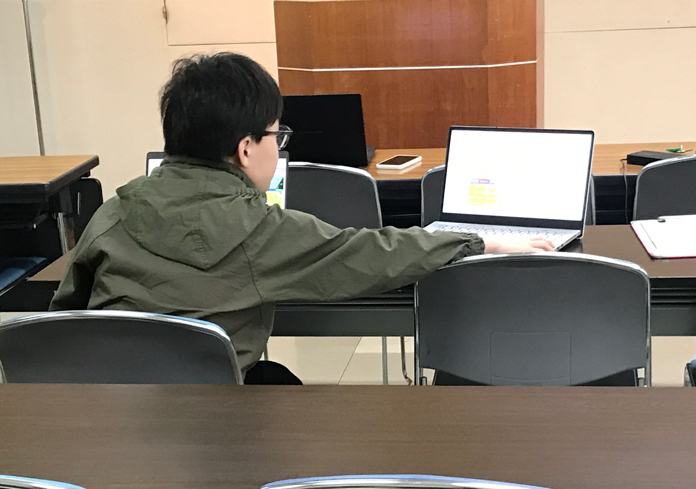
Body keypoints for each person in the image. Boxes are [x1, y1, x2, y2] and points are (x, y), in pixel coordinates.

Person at [49, 53, 554, 384]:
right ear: (246, 149)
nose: (279, 147)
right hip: (209, 422)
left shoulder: (113, 212)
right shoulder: (259, 229)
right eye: (277, 135)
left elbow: (64, 320)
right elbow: (372, 254)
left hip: (109, 414)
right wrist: (478, 242)